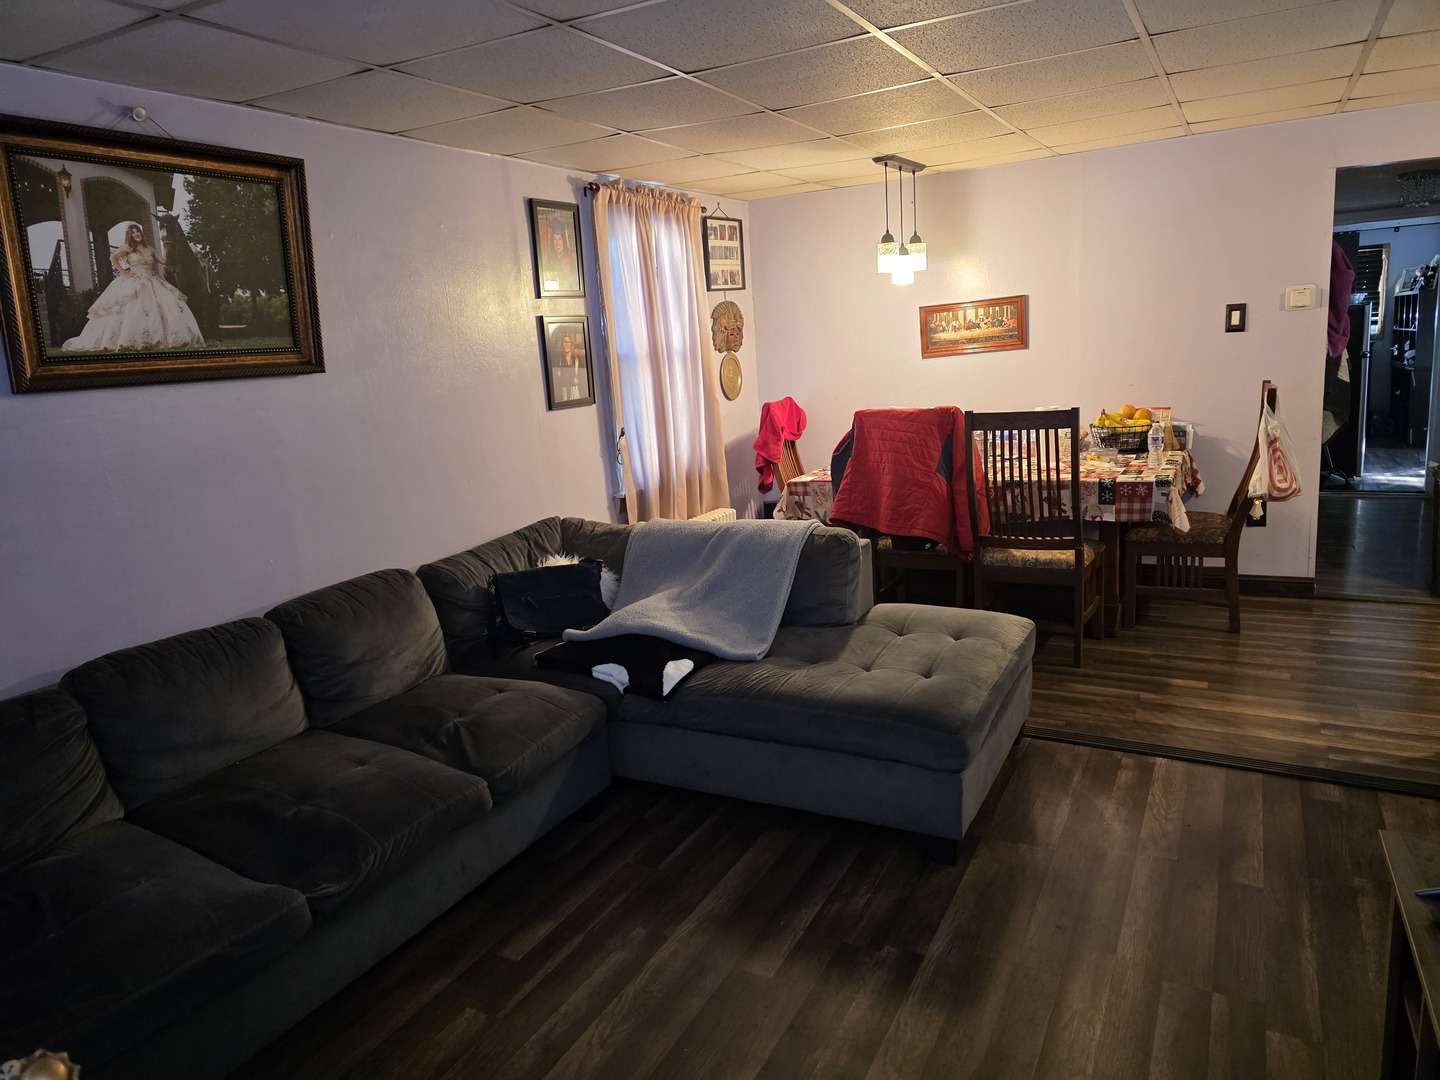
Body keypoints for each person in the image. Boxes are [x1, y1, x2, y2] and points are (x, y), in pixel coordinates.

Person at [61, 221, 205, 352]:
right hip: (135, 282)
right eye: (133, 232)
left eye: (138, 231)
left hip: (153, 282)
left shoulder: (150, 248)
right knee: (133, 311)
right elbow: (113, 258)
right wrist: (124, 273)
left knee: (169, 309)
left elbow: (163, 261)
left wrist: (165, 246)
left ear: (141, 233)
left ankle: (167, 338)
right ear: (130, 235)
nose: (136, 234)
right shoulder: (127, 247)